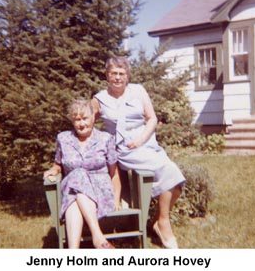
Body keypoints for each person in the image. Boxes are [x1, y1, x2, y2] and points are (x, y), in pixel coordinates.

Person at [92, 56, 186, 249]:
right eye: (114, 73)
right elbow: (87, 124)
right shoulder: (99, 99)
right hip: (125, 150)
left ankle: (160, 220)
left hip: (146, 143)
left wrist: (142, 139)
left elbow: (152, 118)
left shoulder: (138, 90)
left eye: (121, 73)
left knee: (175, 182)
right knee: (170, 171)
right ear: (107, 75)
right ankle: (164, 223)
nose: (118, 77)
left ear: (127, 75)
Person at [43, 99, 121, 249]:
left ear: (93, 118)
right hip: (73, 186)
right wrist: (54, 170)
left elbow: (114, 173)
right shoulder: (63, 138)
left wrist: (116, 199)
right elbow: (58, 163)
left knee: (74, 194)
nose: (81, 123)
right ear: (72, 121)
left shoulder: (105, 139)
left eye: (85, 118)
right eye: (77, 119)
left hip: (100, 190)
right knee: (77, 178)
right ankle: (97, 238)